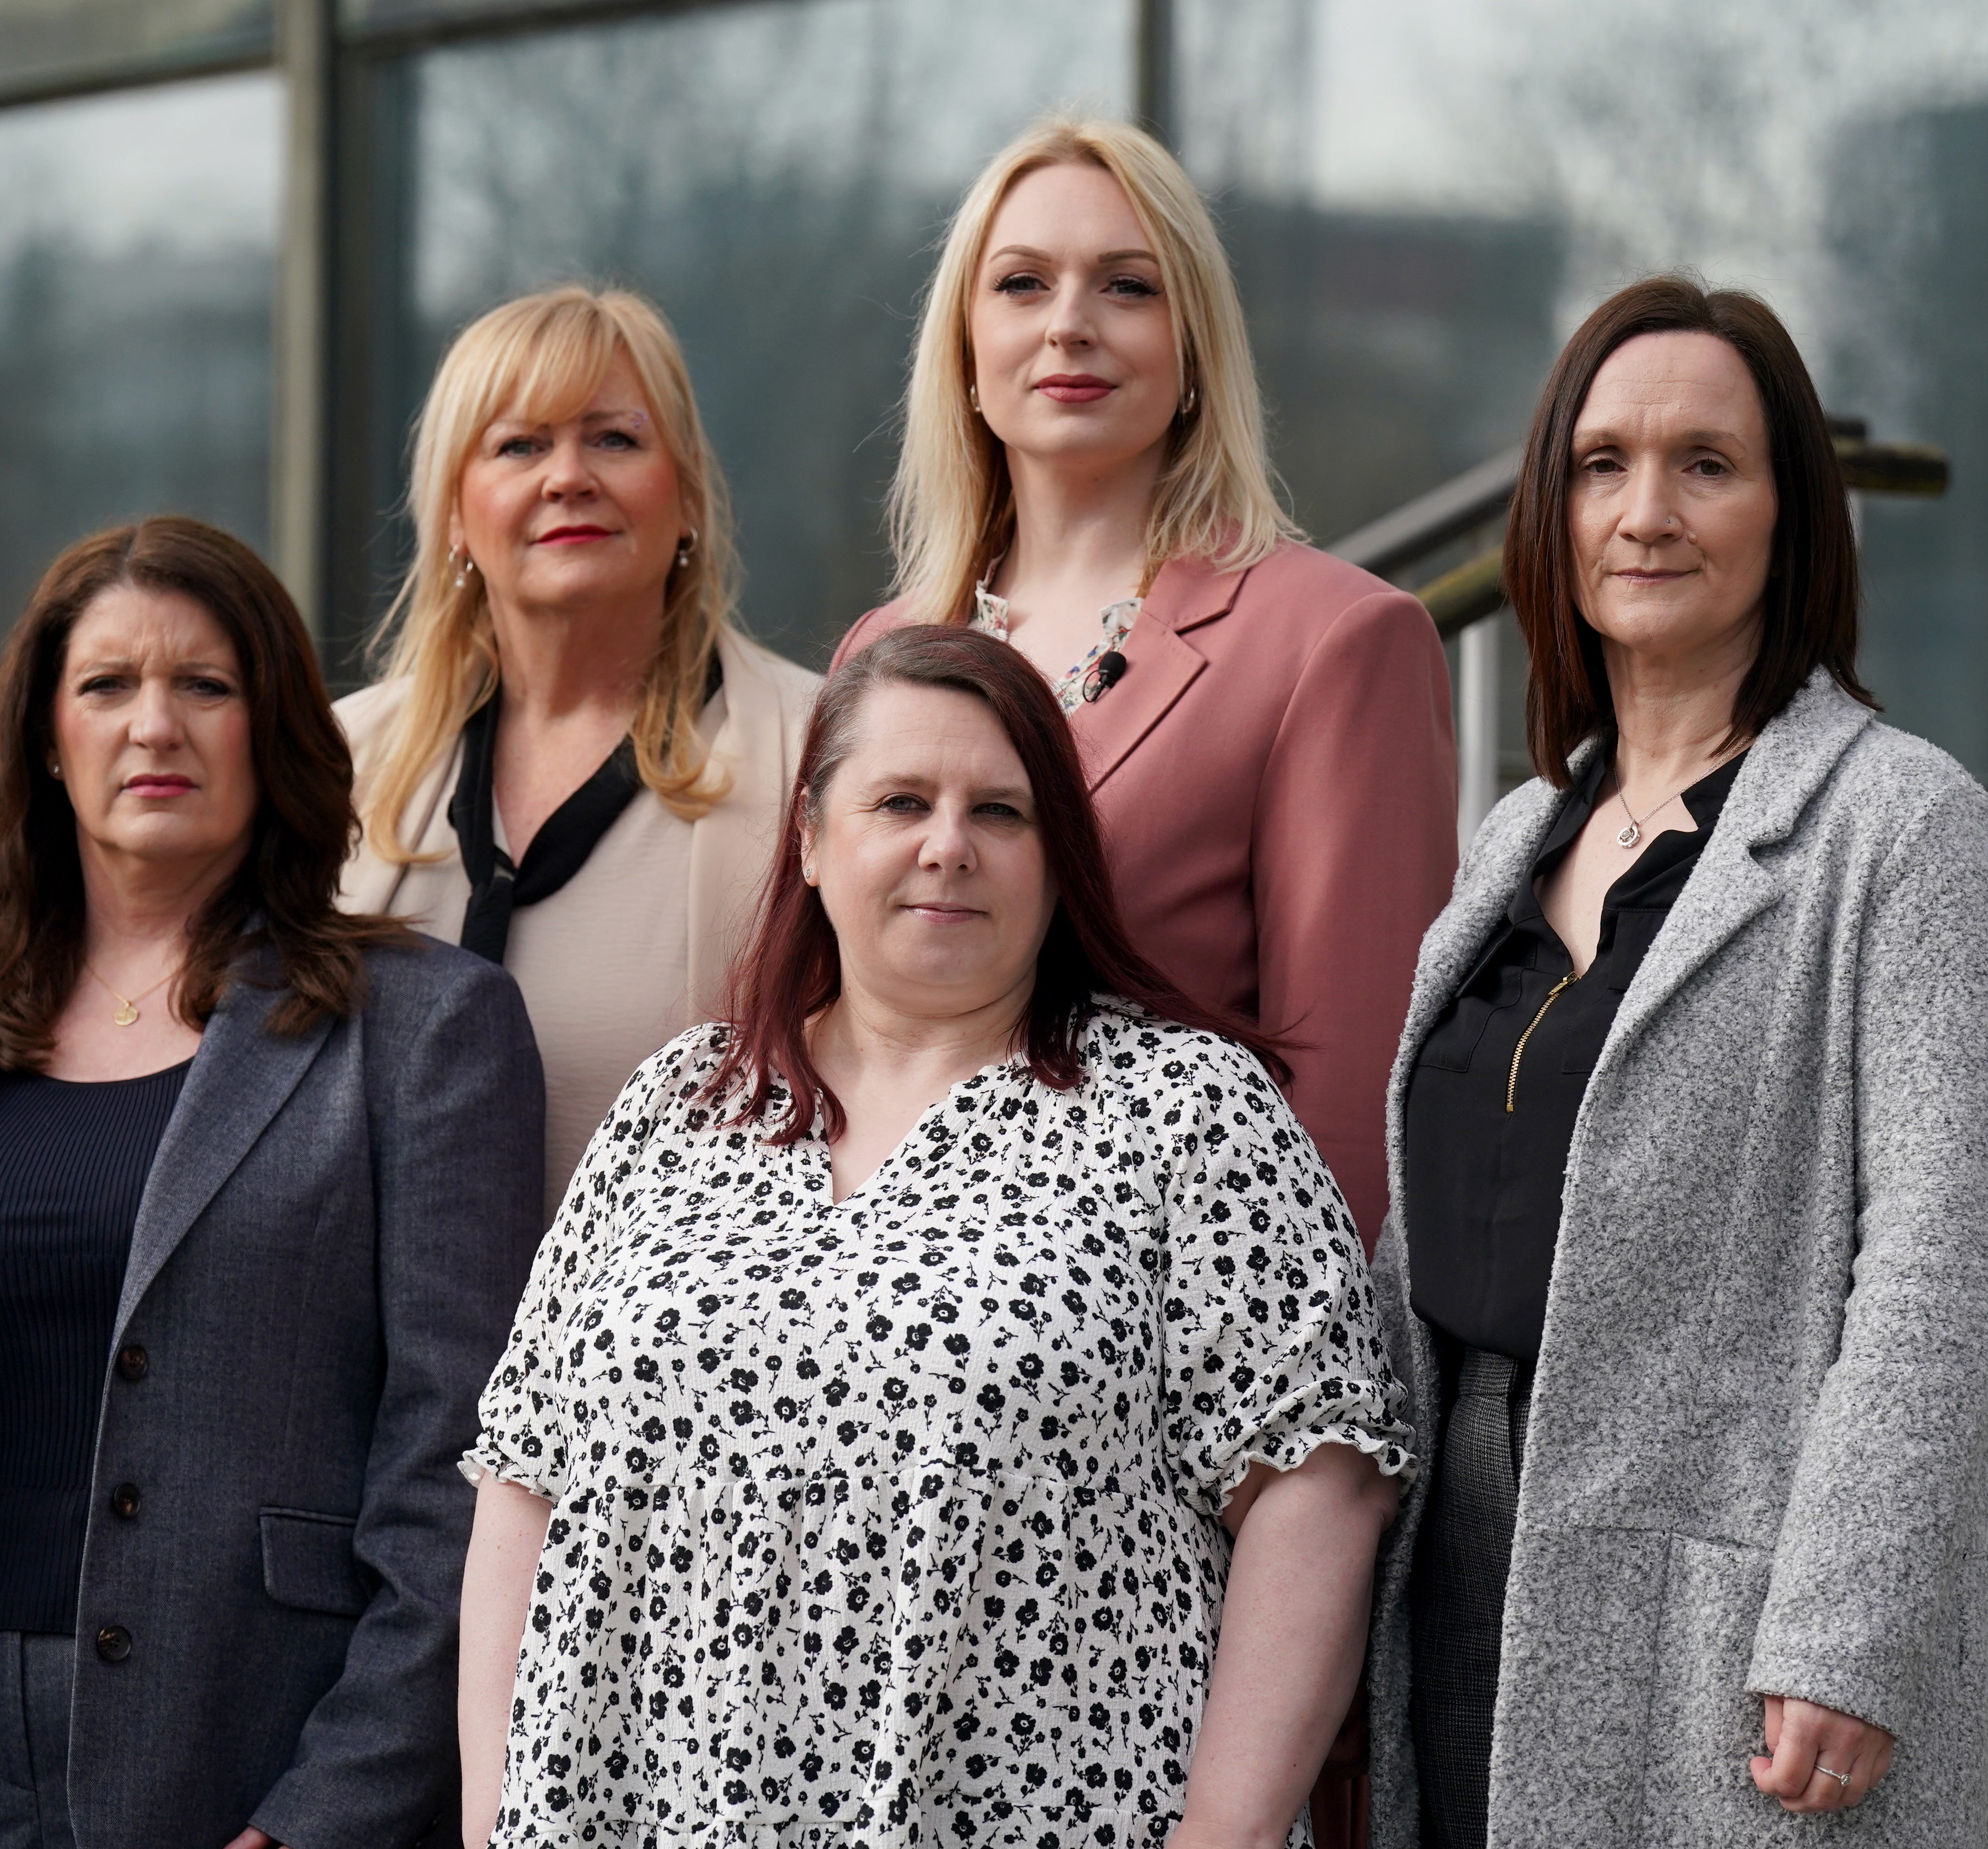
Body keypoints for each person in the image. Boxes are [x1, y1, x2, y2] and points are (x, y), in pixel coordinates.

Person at [456, 624, 1411, 1849]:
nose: (948, 847)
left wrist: (1223, 1837)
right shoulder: (676, 1111)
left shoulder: (1187, 1114)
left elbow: (1315, 1485)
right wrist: (493, 1825)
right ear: (809, 838)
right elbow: (523, 1485)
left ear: (1059, 859)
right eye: (901, 801)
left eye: (1001, 814)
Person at [0, 518, 548, 1849]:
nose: (154, 726)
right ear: (45, 739)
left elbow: (455, 1468)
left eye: (206, 686)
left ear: (275, 730)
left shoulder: (424, 1031)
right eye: (107, 686)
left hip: (242, 1750)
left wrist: (322, 1818)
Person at [1367, 277, 1988, 1847]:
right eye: (1602, 465)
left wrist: (1850, 1627)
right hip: (1462, 1551)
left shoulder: (1913, 833)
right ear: (1550, 509)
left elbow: (1937, 1272)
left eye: (1706, 465)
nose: (1646, 511)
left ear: (1792, 513)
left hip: (1737, 1603)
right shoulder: (1512, 844)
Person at [830, 116, 1456, 1250]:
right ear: (966, 351)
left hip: (1176, 1355)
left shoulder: (1337, 639)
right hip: (876, 1340)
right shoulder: (882, 650)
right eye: (1022, 284)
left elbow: (1352, 1111)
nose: (1070, 324)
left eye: (1127, 286)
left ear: (1193, 350)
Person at [340, 285, 822, 1213]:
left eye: (614, 439)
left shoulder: (820, 754)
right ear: (452, 514)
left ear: (684, 496)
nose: (568, 476)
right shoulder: (333, 761)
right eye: (520, 445)